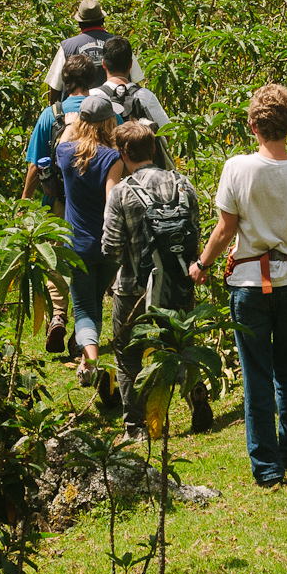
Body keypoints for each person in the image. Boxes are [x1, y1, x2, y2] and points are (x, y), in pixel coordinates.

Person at [191, 84, 287, 488]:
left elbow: (225, 229)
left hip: (249, 285)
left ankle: (267, 468)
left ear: (253, 125)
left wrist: (202, 264)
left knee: (256, 374)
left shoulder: (237, 168)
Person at [102, 120, 212, 440]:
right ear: (153, 148)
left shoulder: (122, 192)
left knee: (128, 355)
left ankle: (137, 426)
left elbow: (110, 247)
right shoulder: (183, 183)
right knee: (180, 345)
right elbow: (195, 230)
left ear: (123, 153)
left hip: (134, 288)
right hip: (178, 282)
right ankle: (194, 393)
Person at [22, 53, 102, 354]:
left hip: (58, 200)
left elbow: (35, 164)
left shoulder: (51, 114)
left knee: (55, 260)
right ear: (92, 80)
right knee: (90, 263)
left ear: (65, 84)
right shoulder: (104, 111)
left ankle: (58, 314)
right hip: (97, 201)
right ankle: (85, 331)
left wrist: (25, 200)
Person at [53, 93, 128, 393]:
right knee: (95, 303)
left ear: (81, 122)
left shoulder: (65, 154)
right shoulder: (114, 158)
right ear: (110, 121)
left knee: (84, 308)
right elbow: (112, 201)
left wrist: (73, 123)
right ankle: (90, 359)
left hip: (77, 247)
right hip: (107, 246)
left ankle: (91, 361)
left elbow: (64, 140)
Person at [41, 0, 145, 104]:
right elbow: (135, 81)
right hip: (114, 112)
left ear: (79, 23)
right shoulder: (120, 45)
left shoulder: (67, 47)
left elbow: (55, 85)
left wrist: (54, 110)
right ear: (102, 20)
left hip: (76, 114)